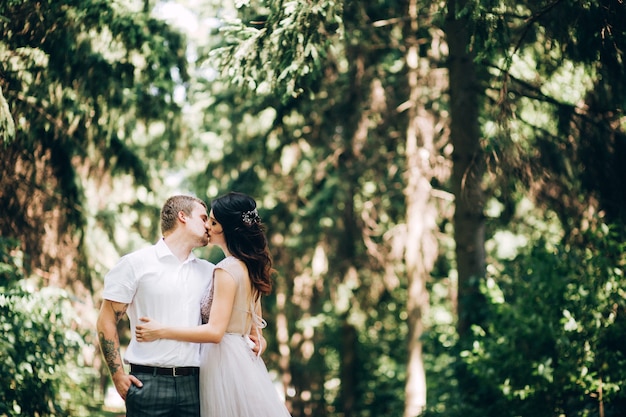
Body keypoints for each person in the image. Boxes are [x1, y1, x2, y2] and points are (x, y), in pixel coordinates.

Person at [135, 191, 292, 417]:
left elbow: (215, 331)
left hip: (223, 362)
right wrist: (259, 341)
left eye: (213, 221)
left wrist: (161, 330)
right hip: (242, 360)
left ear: (226, 228)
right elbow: (256, 329)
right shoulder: (250, 267)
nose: (207, 226)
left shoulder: (225, 269)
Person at [96, 195, 215, 417]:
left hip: (196, 386)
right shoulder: (135, 264)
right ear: (183, 217)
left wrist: (254, 335)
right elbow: (106, 320)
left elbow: (221, 322)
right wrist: (117, 375)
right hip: (147, 384)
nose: (208, 225)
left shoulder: (209, 272)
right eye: (203, 218)